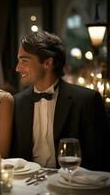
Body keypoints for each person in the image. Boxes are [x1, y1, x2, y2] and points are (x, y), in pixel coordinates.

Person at [11, 30, 110, 171]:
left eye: (24, 60)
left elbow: (100, 161)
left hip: (73, 184)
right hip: (28, 185)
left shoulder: (87, 101)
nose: (18, 68)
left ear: (47, 63)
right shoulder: (17, 103)